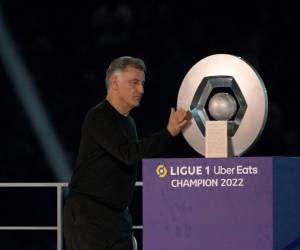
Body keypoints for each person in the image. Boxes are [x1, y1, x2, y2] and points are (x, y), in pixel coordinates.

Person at [63, 56, 190, 250]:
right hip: (88, 217)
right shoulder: (98, 116)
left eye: (142, 83)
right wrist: (168, 133)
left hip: (118, 218)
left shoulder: (129, 122)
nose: (141, 89)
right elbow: (128, 154)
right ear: (114, 83)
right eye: (134, 83)